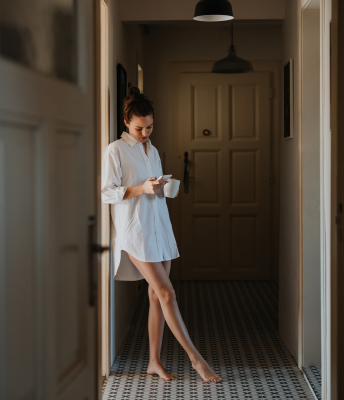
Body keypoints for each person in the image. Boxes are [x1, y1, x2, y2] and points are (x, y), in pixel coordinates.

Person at [101, 86, 222, 383]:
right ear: (127, 123)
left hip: (159, 226)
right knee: (168, 293)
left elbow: (150, 185)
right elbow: (107, 192)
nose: (145, 132)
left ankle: (154, 361)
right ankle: (196, 360)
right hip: (135, 232)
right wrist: (142, 188)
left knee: (157, 297)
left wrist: (160, 185)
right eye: (140, 128)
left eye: (150, 126)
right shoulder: (115, 150)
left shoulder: (152, 150)